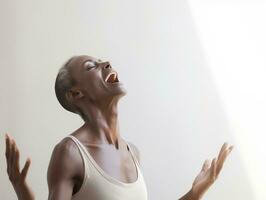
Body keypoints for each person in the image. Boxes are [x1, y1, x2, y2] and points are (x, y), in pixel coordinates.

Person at [5, 55, 233, 200]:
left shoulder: (132, 152)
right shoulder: (70, 153)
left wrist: (196, 192)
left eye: (102, 61)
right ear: (76, 94)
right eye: (91, 67)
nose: (106, 64)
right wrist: (21, 188)